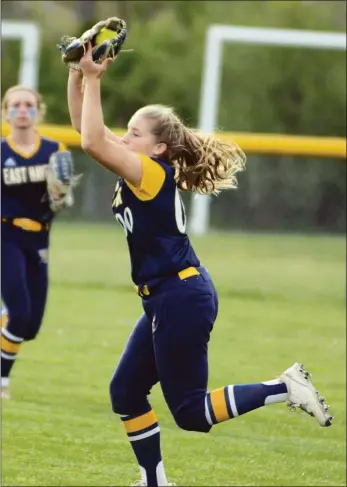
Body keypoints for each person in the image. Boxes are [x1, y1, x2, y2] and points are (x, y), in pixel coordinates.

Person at [70, 44, 333, 487]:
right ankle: (154, 482)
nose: (124, 137)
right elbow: (86, 128)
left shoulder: (150, 172)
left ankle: (284, 387)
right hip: (164, 297)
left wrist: (93, 79)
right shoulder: (140, 163)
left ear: (158, 147)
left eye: (133, 132)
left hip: (181, 296)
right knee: (126, 391)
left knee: (190, 413)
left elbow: (92, 140)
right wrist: (79, 73)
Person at [1, 85, 75, 400]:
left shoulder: (55, 150)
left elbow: (62, 199)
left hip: (40, 237)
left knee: (29, 327)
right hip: (6, 235)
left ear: (38, 111)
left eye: (28, 104)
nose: (22, 109)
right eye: (15, 105)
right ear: (5, 112)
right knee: (19, 313)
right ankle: (2, 380)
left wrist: (62, 195)